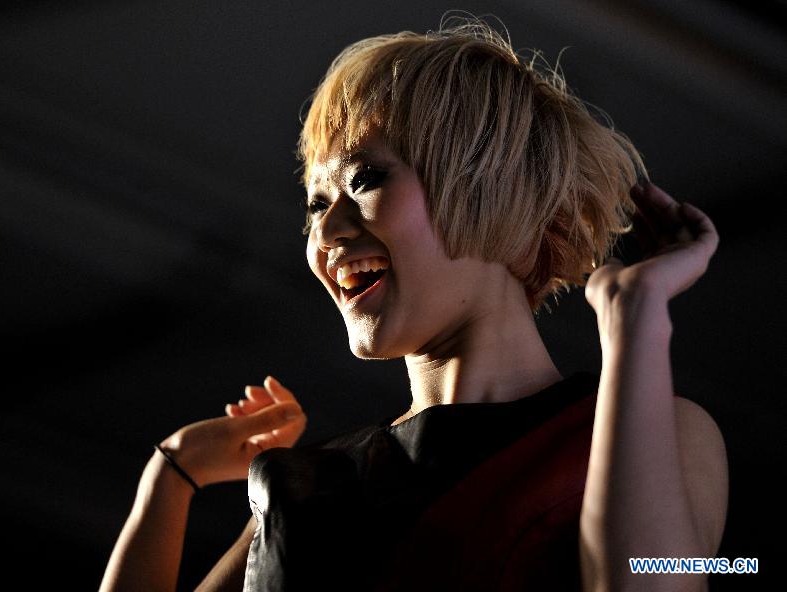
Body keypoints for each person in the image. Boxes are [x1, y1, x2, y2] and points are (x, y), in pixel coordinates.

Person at [99, 17, 728, 592]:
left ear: (487, 188)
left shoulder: (658, 432)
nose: (326, 232)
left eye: (365, 180)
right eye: (317, 204)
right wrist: (170, 479)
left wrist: (635, 317)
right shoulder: (307, 483)